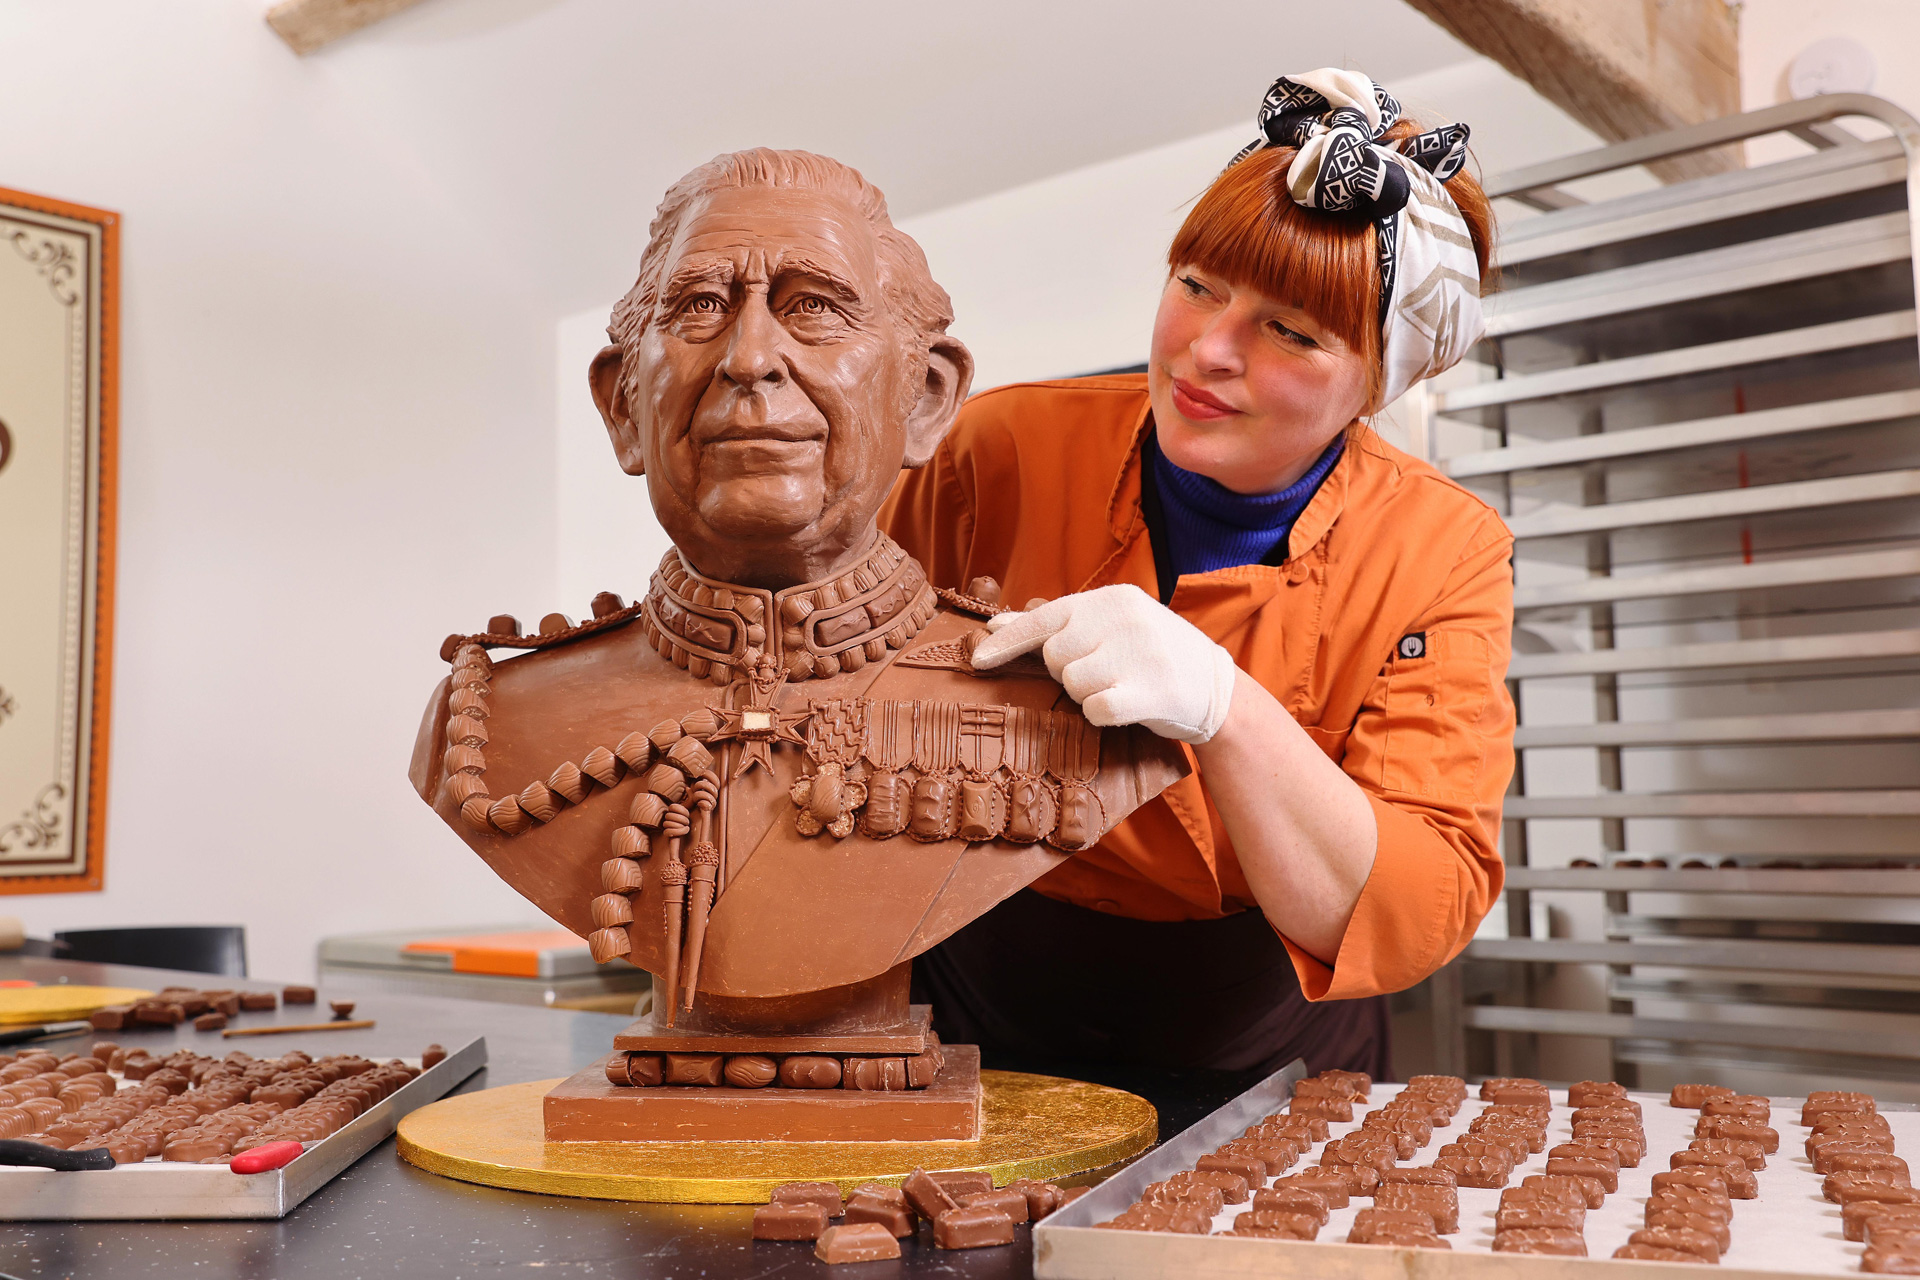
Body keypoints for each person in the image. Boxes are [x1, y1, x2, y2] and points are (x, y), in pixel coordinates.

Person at [881, 69, 1514, 1078]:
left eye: (1292, 331)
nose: (1207, 350)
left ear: (1380, 380)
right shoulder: (999, 447)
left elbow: (1415, 900)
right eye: (1196, 284)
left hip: (1257, 1042)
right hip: (966, 1002)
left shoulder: (1439, 547)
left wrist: (1224, 704)